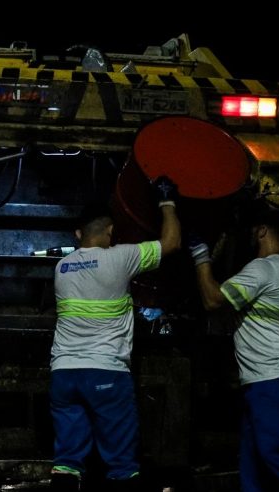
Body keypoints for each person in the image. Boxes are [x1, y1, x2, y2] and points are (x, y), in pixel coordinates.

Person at [49, 176, 181, 492]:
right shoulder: (119, 257)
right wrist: (167, 202)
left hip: (63, 374)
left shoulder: (62, 267)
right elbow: (172, 243)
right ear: (110, 231)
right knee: (121, 465)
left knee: (67, 463)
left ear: (79, 234)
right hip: (105, 373)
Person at [191, 209, 279, 491]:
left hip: (275, 381)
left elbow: (214, 300)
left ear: (262, 231)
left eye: (253, 230)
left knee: (278, 454)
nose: (250, 235)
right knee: (253, 466)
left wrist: (200, 256)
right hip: (271, 382)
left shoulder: (263, 268)